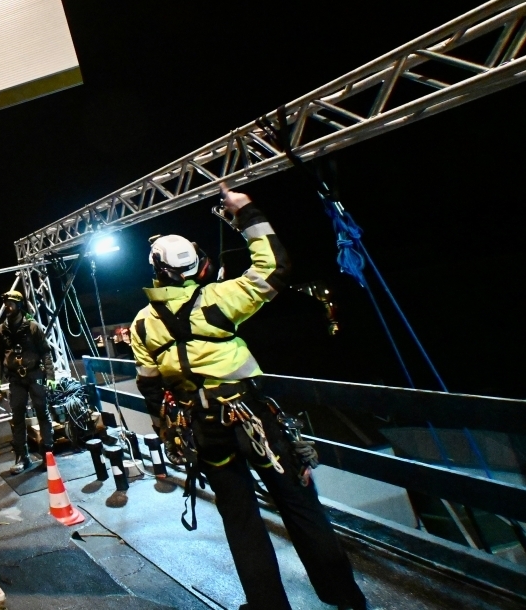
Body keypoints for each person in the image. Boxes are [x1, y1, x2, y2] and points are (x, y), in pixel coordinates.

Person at [129, 185, 367, 610]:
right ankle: (344, 598)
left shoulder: (144, 324)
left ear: (156, 271)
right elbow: (274, 267)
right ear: (198, 263)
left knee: (241, 522)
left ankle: (267, 606)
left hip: (203, 431)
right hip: (251, 418)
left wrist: (170, 435)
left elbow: (150, 386)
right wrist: (246, 213)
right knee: (299, 506)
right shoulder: (220, 299)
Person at [0, 289, 57, 474]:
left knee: (42, 413)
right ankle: (22, 457)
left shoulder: (33, 327)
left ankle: (48, 455)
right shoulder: (2, 330)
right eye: (6, 303)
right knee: (17, 417)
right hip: (15, 379)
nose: (7, 306)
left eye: (11, 302)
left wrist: (50, 377)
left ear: (19, 305)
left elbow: (45, 351)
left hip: (34, 375)